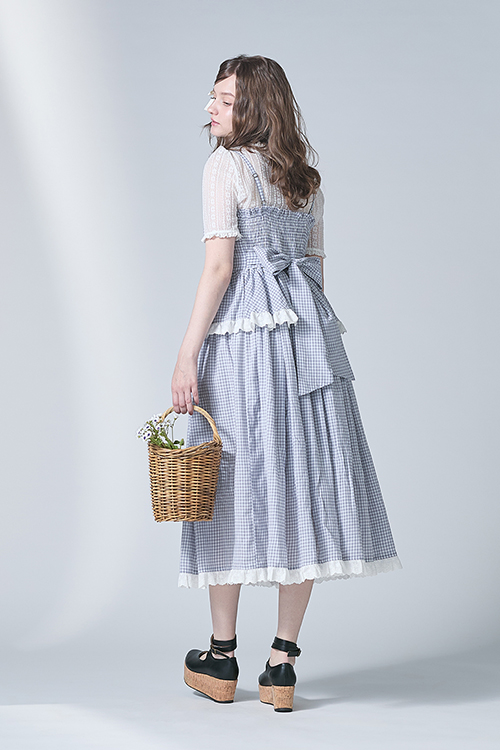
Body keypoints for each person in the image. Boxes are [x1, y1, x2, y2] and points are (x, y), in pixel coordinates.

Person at [171, 55, 402, 712]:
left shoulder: (224, 167)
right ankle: (282, 664)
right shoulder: (306, 181)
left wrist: (187, 355)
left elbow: (220, 269)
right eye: (213, 97)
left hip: (243, 341)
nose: (211, 109)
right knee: (304, 481)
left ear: (252, 107)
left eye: (223, 99)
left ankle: (221, 657)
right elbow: (316, 273)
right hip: (308, 344)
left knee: (230, 482)